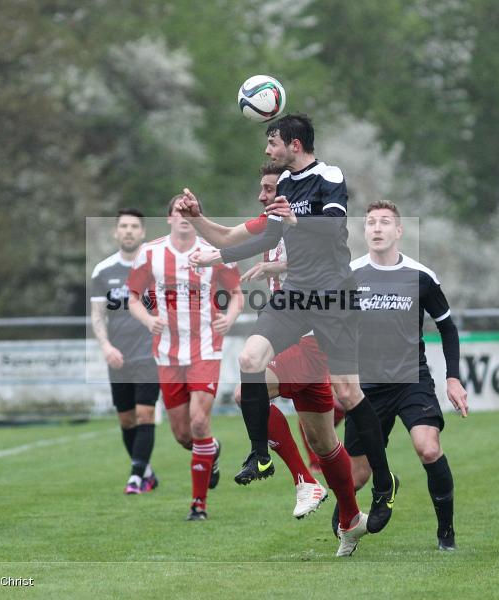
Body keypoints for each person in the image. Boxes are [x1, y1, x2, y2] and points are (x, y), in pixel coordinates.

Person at [189, 114, 397, 555]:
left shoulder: (328, 176)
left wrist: (295, 222)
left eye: (272, 142)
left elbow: (335, 231)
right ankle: (259, 453)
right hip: (297, 295)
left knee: (347, 392)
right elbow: (256, 239)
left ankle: (383, 483)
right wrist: (216, 253)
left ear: (294, 143)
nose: (268, 150)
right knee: (249, 361)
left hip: (334, 297)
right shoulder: (283, 187)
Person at [175, 163, 347, 520]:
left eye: (269, 189)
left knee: (246, 391)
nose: (262, 195)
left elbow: (332, 262)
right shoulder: (271, 224)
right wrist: (197, 220)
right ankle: (351, 515)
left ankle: (298, 477)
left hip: (310, 335)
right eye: (262, 188)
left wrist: (278, 268)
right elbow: (225, 236)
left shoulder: (309, 224)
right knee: (323, 443)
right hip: (286, 334)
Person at [341, 201, 468, 551]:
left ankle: (446, 533)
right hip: (366, 388)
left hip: (412, 380)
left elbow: (448, 328)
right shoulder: (350, 275)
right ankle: (360, 513)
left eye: (385, 222)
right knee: (357, 476)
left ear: (399, 231)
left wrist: (452, 378)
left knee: (428, 448)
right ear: (364, 232)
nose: (377, 228)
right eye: (370, 223)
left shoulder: (421, 277)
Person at [127, 196, 243, 521]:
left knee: (199, 421)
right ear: (168, 218)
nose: (182, 216)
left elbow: (236, 295)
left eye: (187, 211)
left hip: (206, 347)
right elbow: (132, 298)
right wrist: (149, 320)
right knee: (183, 435)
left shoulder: (213, 252)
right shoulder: (149, 253)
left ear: (196, 216)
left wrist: (230, 318)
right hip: (167, 354)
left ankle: (198, 504)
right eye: (176, 211)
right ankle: (211, 451)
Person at [90, 208, 160, 495]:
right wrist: (106, 346)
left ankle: (135, 477)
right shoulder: (103, 271)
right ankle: (146, 471)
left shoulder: (156, 267)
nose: (129, 231)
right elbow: (97, 315)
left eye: (134, 226)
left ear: (142, 232)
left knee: (145, 415)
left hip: (150, 355)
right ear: (116, 232)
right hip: (118, 357)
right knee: (127, 419)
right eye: (124, 226)